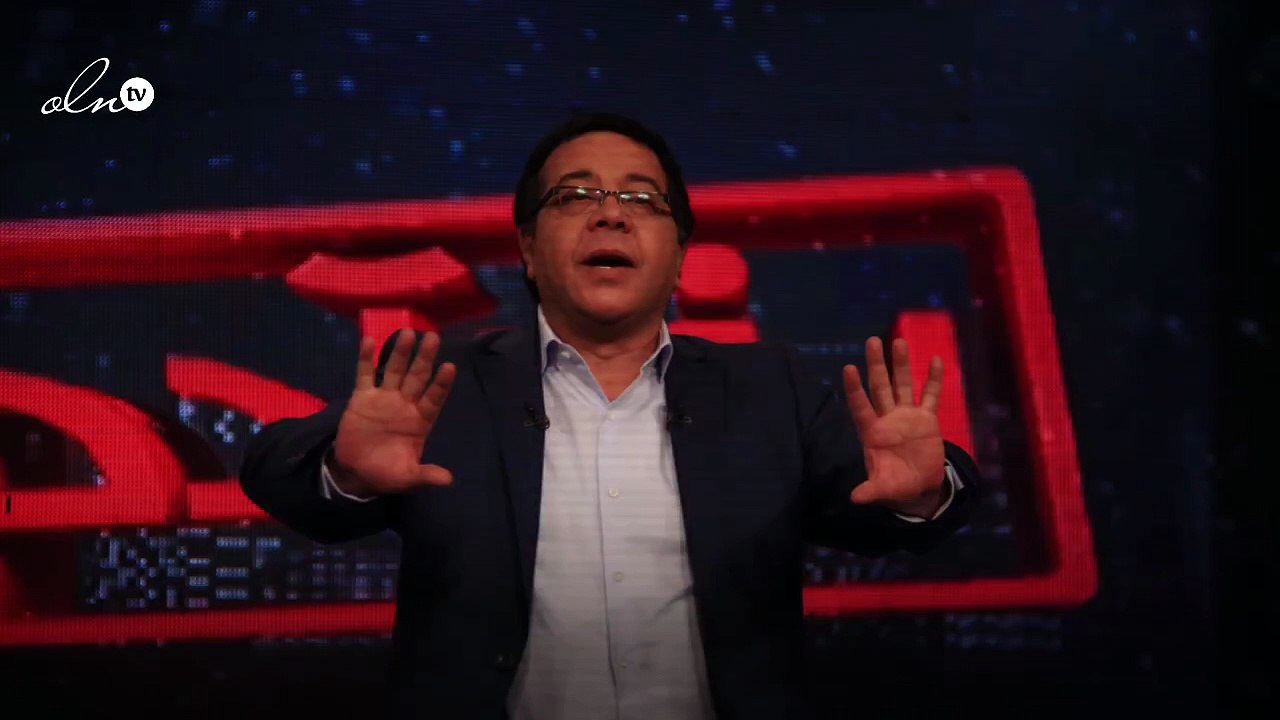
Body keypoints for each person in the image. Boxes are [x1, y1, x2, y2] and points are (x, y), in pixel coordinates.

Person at [240, 112, 981, 720]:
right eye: (574, 196)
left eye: (642, 200)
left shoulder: (769, 385)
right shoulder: (443, 383)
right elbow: (274, 469)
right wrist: (347, 475)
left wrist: (922, 492)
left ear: (679, 254)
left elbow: (888, 517)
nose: (610, 214)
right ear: (529, 249)